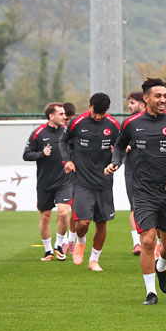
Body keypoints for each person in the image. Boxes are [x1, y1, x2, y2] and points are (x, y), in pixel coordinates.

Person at [107, 78, 166, 305]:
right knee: (147, 241)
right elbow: (118, 145)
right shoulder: (131, 123)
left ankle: (161, 266)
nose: (163, 100)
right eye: (158, 96)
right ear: (146, 98)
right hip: (143, 192)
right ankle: (150, 292)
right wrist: (116, 161)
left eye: (165, 96)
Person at [60, 93, 120, 271]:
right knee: (83, 222)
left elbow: (120, 148)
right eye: (95, 112)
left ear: (107, 111)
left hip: (104, 182)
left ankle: (94, 260)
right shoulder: (77, 122)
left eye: (102, 114)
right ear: (89, 106)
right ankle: (80, 241)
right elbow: (63, 141)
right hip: (82, 180)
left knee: (102, 223)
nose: (98, 116)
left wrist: (115, 162)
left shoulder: (114, 125)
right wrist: (67, 161)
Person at [22, 102, 72, 261]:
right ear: (51, 116)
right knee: (45, 217)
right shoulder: (38, 133)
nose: (65, 117)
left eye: (65, 114)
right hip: (45, 182)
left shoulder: (68, 132)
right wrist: (42, 154)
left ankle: (59, 245)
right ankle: (48, 250)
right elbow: (26, 155)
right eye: (61, 114)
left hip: (65, 180)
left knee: (64, 213)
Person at [123, 91, 146, 255]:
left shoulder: (156, 122)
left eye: (132, 103)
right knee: (134, 207)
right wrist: (123, 148)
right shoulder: (127, 123)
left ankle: (158, 244)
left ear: (142, 104)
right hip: (132, 171)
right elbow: (117, 145)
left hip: (153, 172)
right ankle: (137, 243)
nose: (129, 106)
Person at [62, 102, 79, 254]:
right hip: (60, 176)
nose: (66, 122)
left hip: (77, 174)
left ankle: (71, 239)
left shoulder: (79, 129)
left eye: (69, 119)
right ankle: (61, 240)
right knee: (62, 210)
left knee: (74, 209)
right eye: (64, 119)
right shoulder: (58, 132)